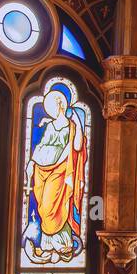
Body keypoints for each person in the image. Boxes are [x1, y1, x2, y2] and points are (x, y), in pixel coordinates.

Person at [26, 89, 86, 262]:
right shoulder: (50, 126)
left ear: (60, 104)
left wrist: (79, 125)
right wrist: (31, 163)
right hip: (42, 169)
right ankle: (48, 246)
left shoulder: (72, 126)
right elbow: (43, 144)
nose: (50, 109)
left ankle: (63, 245)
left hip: (61, 169)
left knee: (52, 206)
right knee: (43, 208)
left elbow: (76, 147)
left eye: (52, 105)